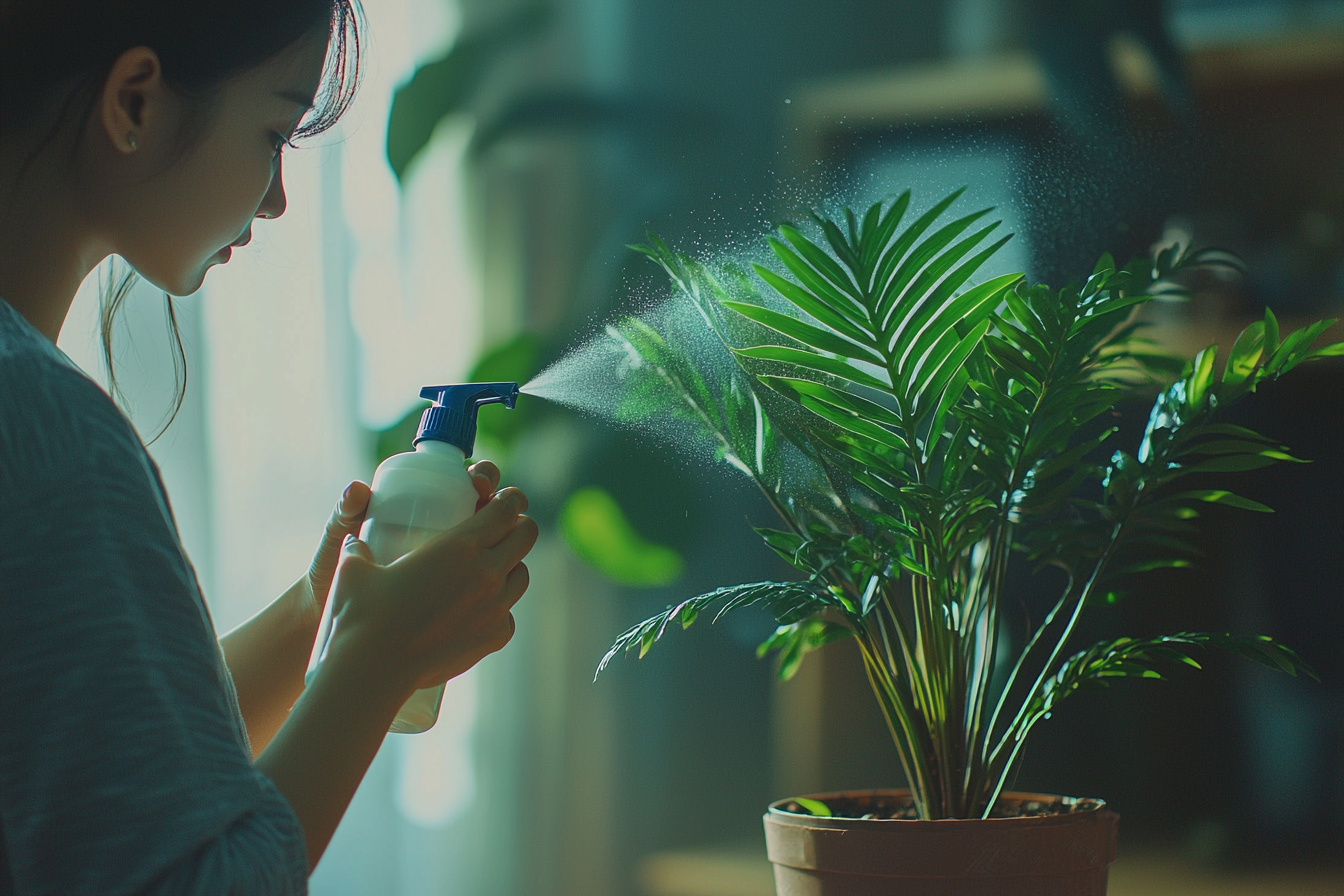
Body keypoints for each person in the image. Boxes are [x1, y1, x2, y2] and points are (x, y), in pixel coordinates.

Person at [0, 2, 537, 892]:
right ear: (134, 101)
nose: (280, 197)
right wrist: (378, 662)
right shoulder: (51, 435)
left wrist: (318, 612)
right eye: (273, 132)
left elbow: (113, 777)